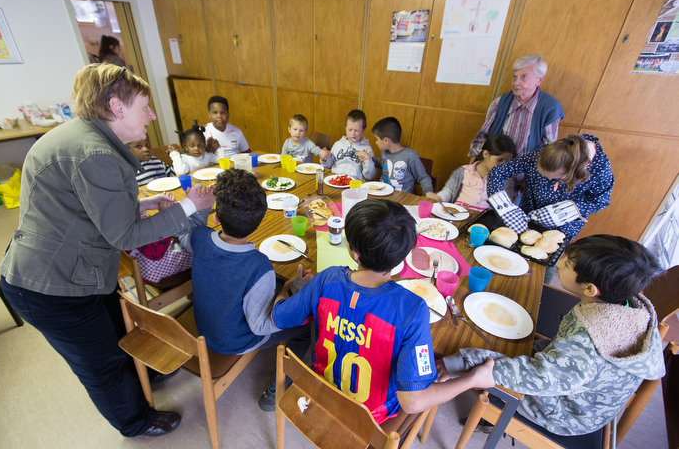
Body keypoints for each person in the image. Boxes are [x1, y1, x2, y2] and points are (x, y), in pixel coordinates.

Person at [0, 63, 216, 437]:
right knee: (102, 363)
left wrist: (143, 205)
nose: (151, 115)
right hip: (52, 285)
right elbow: (126, 237)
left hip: (73, 266)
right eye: (144, 106)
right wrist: (188, 207)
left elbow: (83, 206)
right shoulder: (95, 153)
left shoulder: (77, 136)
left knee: (121, 329)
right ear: (116, 107)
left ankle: (146, 374)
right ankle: (135, 422)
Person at [270, 199, 496, 424]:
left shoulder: (326, 279)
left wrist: (290, 286)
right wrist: (472, 379)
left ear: (354, 251)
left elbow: (279, 317)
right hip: (370, 418)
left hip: (320, 389)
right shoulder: (413, 309)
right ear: (404, 253)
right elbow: (413, 402)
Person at [443, 235, 665, 439]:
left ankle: (495, 410)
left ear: (589, 289)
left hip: (564, 414)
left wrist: (465, 361)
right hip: (579, 392)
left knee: (464, 355)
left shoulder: (588, 341)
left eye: (567, 264)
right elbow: (564, 355)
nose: (559, 263)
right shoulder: (622, 306)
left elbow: (541, 378)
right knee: (495, 342)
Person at [190, 168, 311, 412]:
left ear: (215, 218)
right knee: (306, 328)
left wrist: (201, 206)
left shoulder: (199, 237)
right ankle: (281, 382)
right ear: (258, 222)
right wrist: (288, 292)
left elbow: (192, 229)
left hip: (202, 330)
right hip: (232, 341)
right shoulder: (258, 265)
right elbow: (261, 326)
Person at [486, 133, 614, 239]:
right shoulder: (540, 154)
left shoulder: (600, 170)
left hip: (562, 228)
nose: (548, 180)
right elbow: (498, 171)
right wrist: (504, 207)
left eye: (554, 178)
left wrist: (566, 210)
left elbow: (599, 202)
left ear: (571, 173)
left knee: (543, 262)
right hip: (526, 216)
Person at [469, 54, 564, 160]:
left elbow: (547, 150)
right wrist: (471, 170)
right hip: (495, 169)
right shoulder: (500, 101)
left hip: (526, 173)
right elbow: (482, 137)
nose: (515, 83)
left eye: (524, 77)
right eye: (514, 76)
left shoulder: (551, 108)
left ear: (539, 80)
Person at [427, 134, 516, 210]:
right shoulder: (463, 171)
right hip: (457, 214)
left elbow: (504, 207)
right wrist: (439, 197)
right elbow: (449, 190)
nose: (503, 165)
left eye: (507, 162)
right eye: (499, 160)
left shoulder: (506, 180)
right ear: (486, 154)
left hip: (483, 223)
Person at [357, 117, 433, 195]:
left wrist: (429, 192)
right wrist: (369, 159)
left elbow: (423, 178)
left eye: (377, 139)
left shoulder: (411, 156)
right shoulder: (384, 152)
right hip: (382, 196)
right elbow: (382, 163)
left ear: (386, 140)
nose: (376, 142)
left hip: (402, 200)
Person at [320, 109, 376, 181]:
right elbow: (327, 166)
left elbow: (370, 176)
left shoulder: (367, 150)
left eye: (356, 130)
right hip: (335, 179)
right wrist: (325, 159)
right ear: (345, 128)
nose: (353, 134)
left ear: (363, 130)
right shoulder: (338, 144)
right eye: (350, 130)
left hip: (354, 184)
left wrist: (368, 160)